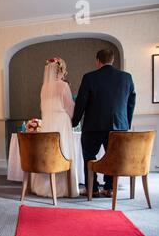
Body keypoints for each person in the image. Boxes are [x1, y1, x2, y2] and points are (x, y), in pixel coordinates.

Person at [72, 49, 136, 198]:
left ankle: (92, 189)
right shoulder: (126, 77)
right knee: (113, 157)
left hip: (93, 126)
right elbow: (131, 102)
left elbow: (81, 102)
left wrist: (74, 121)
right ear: (112, 60)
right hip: (118, 126)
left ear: (97, 61)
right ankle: (109, 188)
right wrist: (125, 123)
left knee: (89, 156)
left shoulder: (89, 77)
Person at [31, 57, 79, 198]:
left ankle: (43, 187)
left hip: (48, 122)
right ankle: (64, 188)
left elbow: (42, 108)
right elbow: (70, 108)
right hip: (61, 123)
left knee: (48, 154)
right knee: (63, 152)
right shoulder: (63, 86)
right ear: (62, 70)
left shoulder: (44, 87)